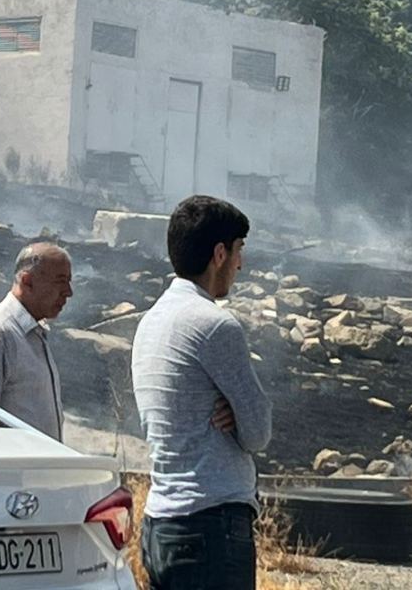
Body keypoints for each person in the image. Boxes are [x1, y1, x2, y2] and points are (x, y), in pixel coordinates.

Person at [131, 195, 272, 590]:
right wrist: (238, 410)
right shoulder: (215, 325)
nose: (241, 264)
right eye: (240, 250)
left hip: (161, 524)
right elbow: (259, 431)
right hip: (210, 526)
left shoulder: (151, 321)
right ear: (220, 253)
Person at [0, 241, 72, 440]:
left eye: (69, 282)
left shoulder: (34, 333)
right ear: (27, 281)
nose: (68, 292)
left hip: (35, 470)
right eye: (60, 282)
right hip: (9, 471)